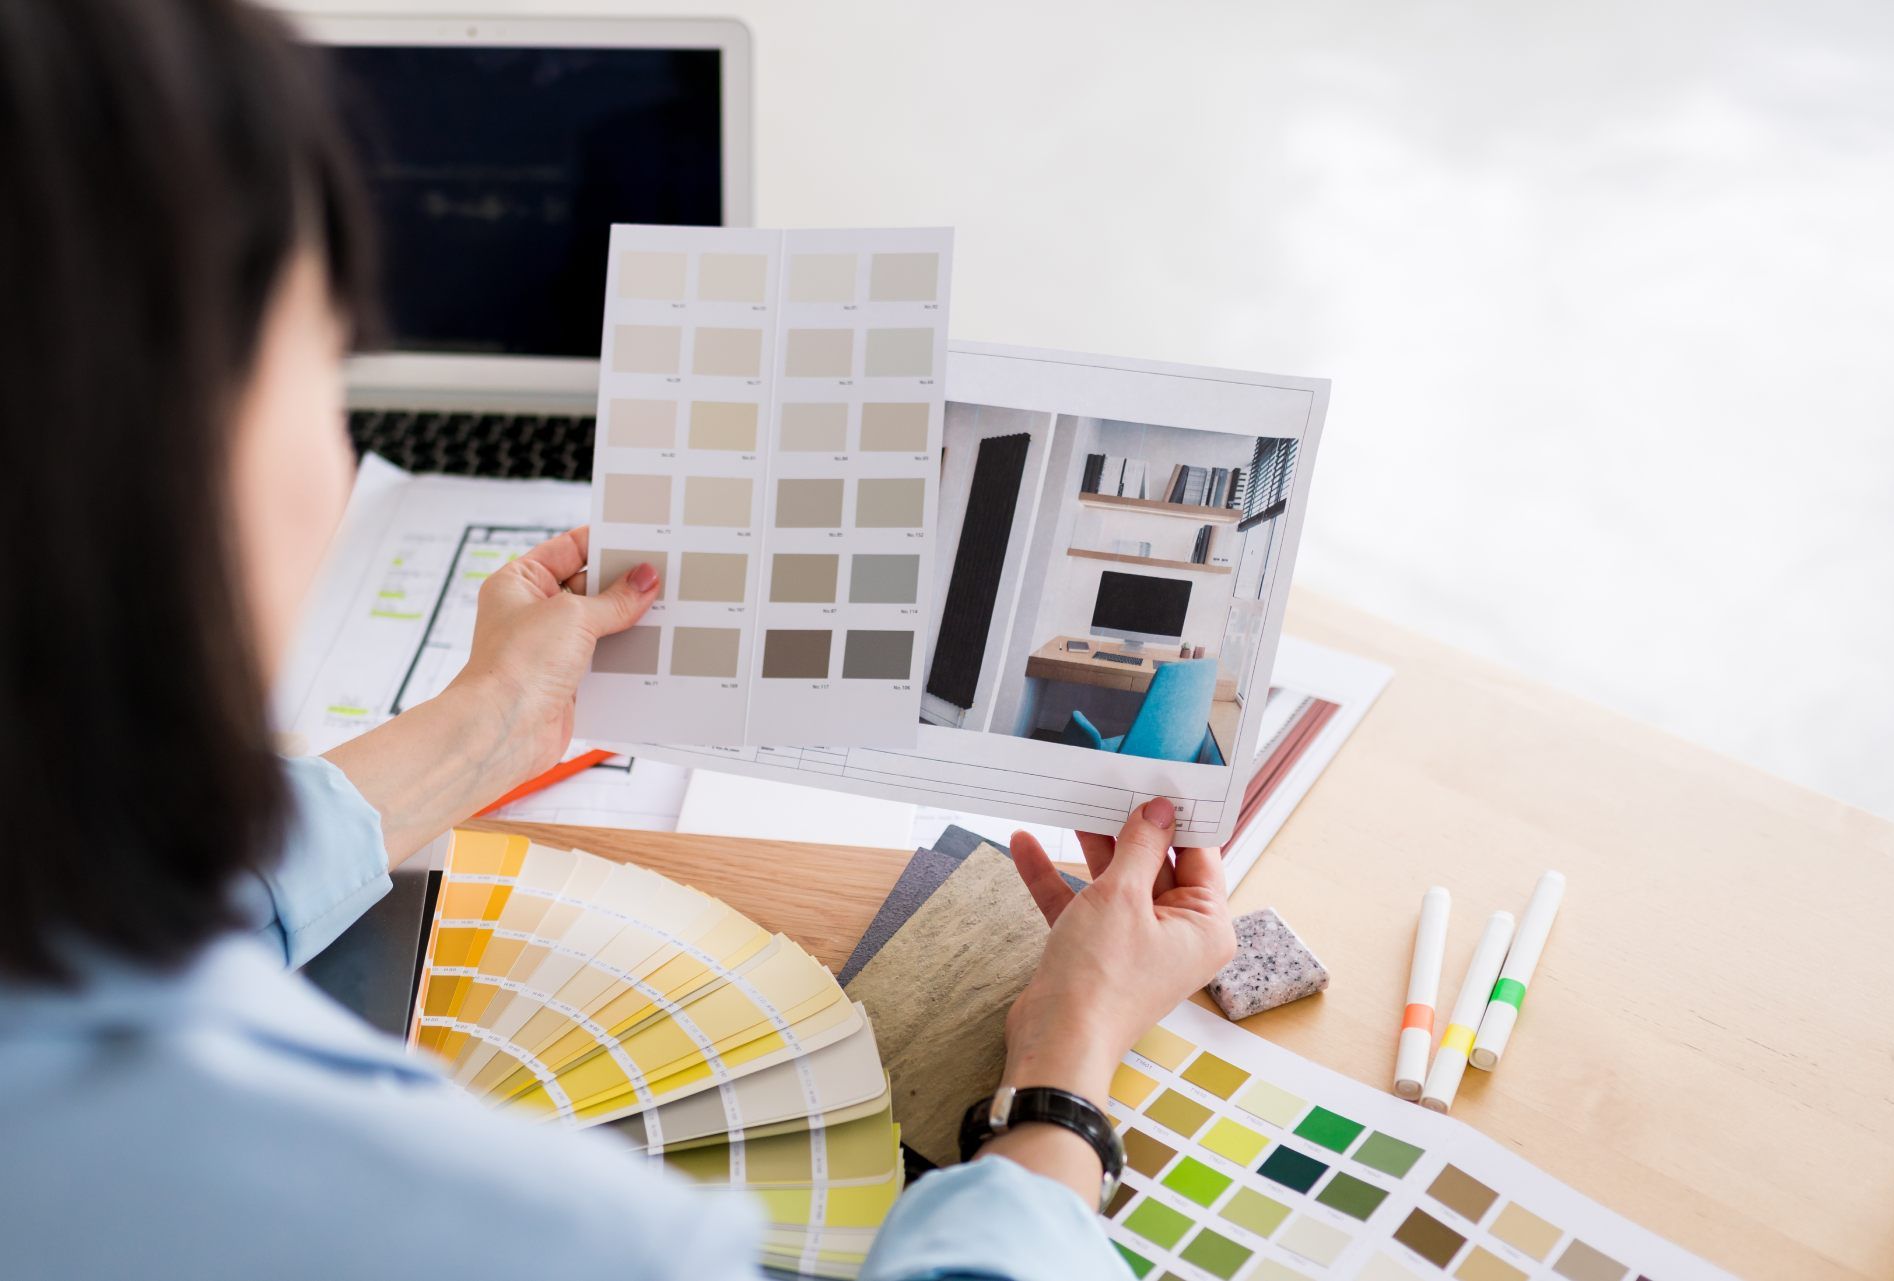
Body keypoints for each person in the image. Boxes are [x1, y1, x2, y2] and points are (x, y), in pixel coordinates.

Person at [0, 3, 1237, 1278]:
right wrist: (1066, 1072)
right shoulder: (536, 1239)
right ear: (163, 461)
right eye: (325, 363)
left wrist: (491, 723)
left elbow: (127, 920)